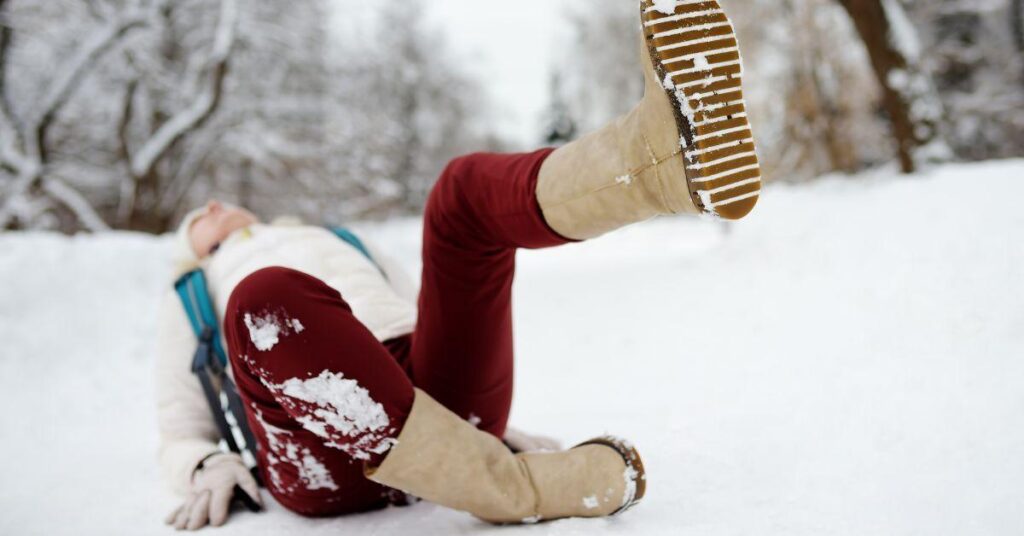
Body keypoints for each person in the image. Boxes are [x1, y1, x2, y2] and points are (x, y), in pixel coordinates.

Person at [156, 0, 760, 530]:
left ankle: (657, 160)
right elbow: (179, 418)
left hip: (426, 402)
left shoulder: (339, 239)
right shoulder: (194, 290)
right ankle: (507, 486)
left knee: (459, 193)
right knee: (264, 300)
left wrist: (467, 434)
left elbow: (439, 313)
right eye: (197, 220)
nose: (211, 206)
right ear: (195, 247)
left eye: (217, 203)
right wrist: (207, 465)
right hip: (321, 450)